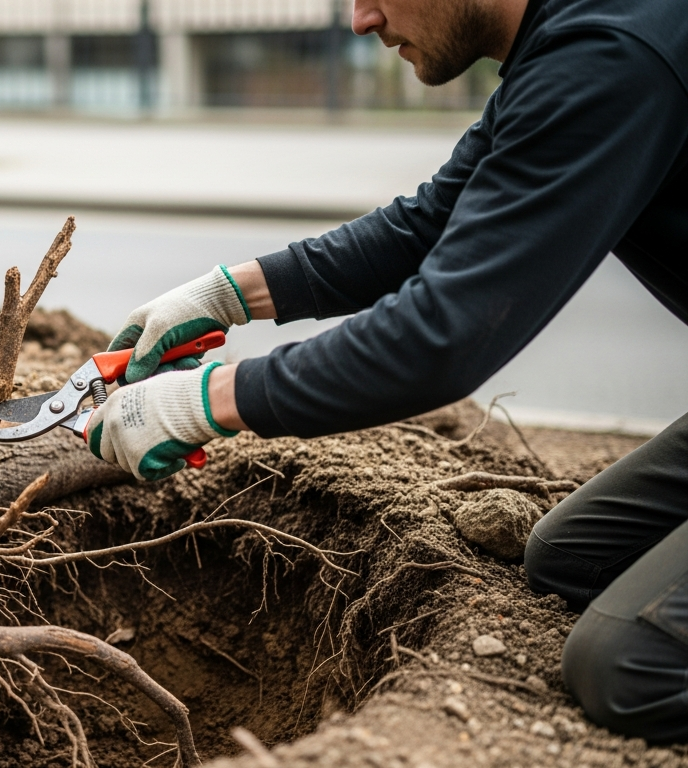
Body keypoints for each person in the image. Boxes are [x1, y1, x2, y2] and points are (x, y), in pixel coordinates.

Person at [85, 0, 688, 744]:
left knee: (628, 665)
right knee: (571, 558)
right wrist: (222, 295)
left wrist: (205, 401)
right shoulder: (565, 43)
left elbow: (442, 338)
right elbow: (426, 225)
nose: (361, 19)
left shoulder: (610, 58)